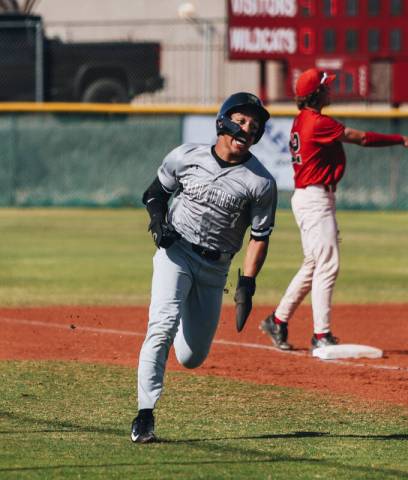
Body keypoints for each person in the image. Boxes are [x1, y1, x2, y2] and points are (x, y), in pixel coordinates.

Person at [131, 92, 277, 443]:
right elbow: (155, 192)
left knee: (192, 357)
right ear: (223, 122)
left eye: (254, 126)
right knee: (161, 326)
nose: (247, 129)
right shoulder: (186, 155)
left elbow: (259, 236)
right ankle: (145, 414)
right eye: (241, 121)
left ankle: (182, 317)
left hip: (215, 270)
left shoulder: (260, 182)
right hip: (176, 252)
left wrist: (247, 284)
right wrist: (156, 220)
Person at [259, 68, 408, 352]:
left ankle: (278, 320)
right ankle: (321, 334)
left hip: (311, 197)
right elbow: (361, 137)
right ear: (316, 94)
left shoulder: (302, 120)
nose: (330, 90)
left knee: (314, 265)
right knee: (328, 265)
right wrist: (400, 139)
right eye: (326, 87)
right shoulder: (317, 122)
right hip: (315, 198)